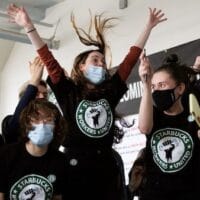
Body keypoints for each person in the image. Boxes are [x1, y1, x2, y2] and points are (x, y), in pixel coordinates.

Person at [7, 4, 167, 200]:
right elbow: (47, 58)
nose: (101, 64)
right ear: (82, 67)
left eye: (103, 62)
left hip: (106, 167)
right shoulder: (68, 92)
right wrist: (28, 25)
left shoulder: (110, 92)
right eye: (95, 60)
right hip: (75, 166)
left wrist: (148, 27)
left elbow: (130, 60)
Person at [137, 51, 200, 200]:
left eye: (162, 85)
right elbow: (144, 128)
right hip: (155, 193)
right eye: (154, 87)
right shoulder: (153, 115)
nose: (157, 91)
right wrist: (146, 84)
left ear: (180, 88)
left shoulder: (194, 113)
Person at [0, 99, 68, 200]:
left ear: (56, 126)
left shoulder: (61, 161)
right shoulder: (6, 154)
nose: (42, 124)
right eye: (36, 119)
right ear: (27, 124)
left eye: (49, 119)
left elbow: (57, 197)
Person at [1, 56, 48, 144]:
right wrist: (34, 80)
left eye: (45, 95)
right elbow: (18, 121)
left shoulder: (49, 125)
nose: (42, 97)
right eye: (36, 94)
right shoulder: (8, 122)